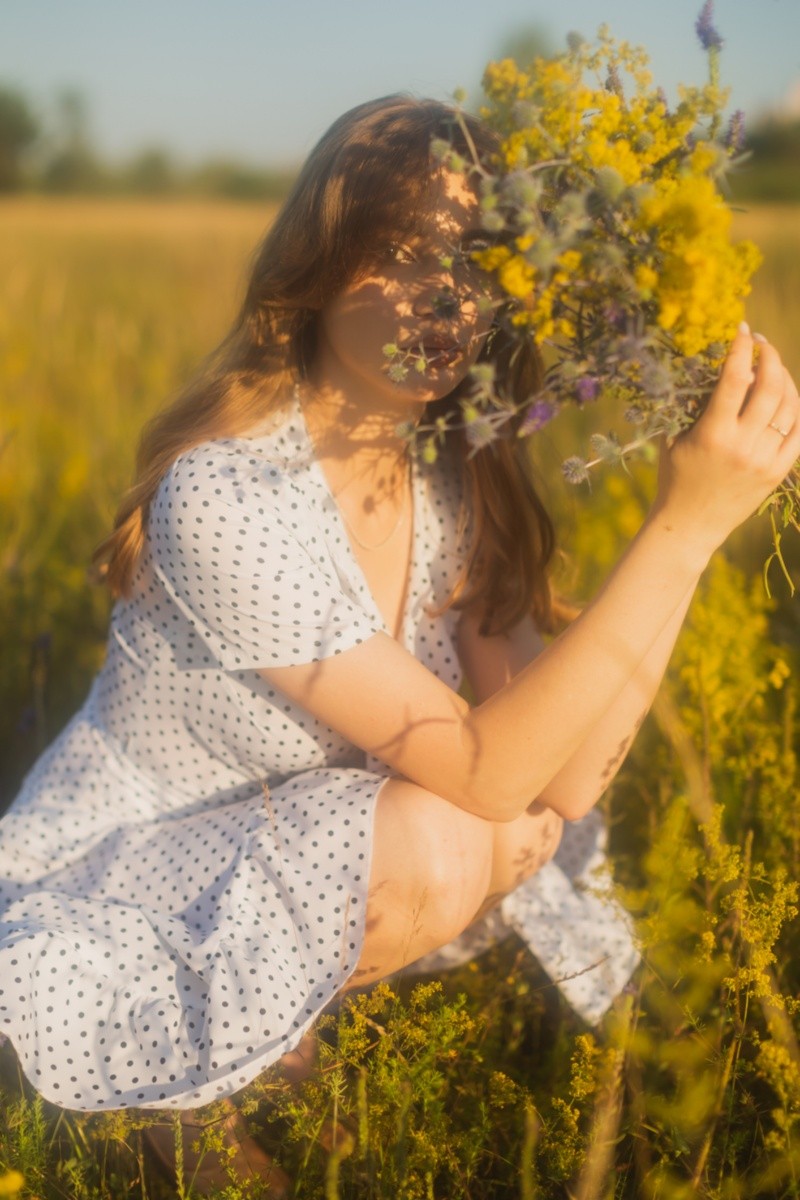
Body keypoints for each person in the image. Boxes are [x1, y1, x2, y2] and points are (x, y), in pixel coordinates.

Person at [0, 94, 798, 1194]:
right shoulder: (226, 495)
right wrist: (680, 527)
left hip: (272, 852)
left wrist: (693, 531)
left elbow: (563, 781)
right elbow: (485, 772)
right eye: (405, 252)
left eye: (477, 262)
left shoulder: (448, 483)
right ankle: (168, 1079)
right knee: (446, 839)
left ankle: (263, 1039)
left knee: (481, 833)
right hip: (115, 884)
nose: (447, 296)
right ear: (319, 264)